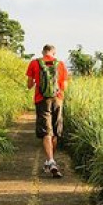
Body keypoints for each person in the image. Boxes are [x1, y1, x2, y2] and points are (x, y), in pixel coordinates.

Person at [26, 44, 69, 178]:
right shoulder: (60, 64)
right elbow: (64, 86)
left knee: (46, 131)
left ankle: (50, 161)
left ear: (43, 52)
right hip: (57, 99)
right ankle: (50, 161)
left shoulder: (34, 63)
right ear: (53, 53)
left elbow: (29, 85)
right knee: (55, 131)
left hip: (41, 100)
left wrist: (35, 83)